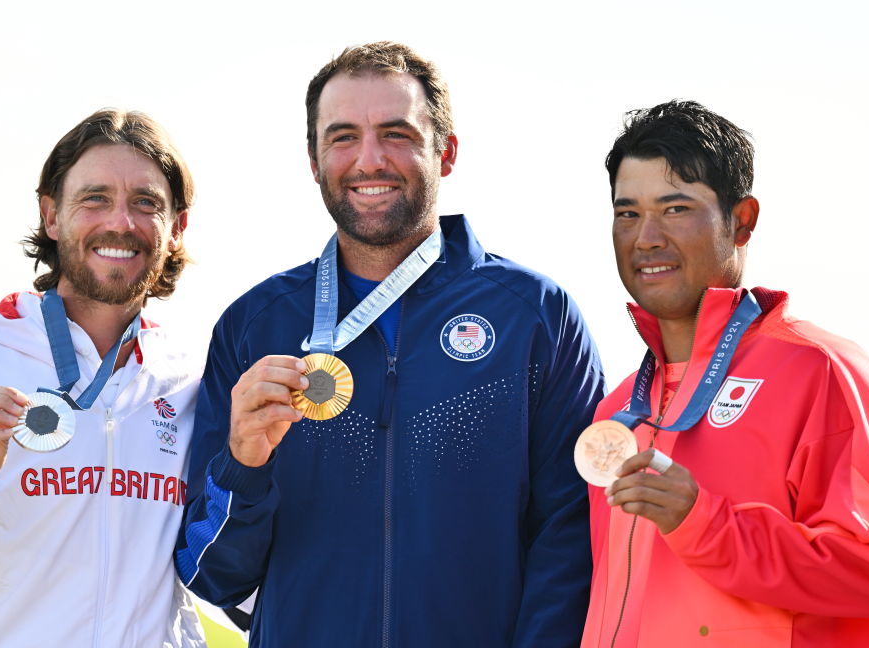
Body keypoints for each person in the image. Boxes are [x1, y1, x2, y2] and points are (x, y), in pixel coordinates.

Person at [176, 42, 606, 647]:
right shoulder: (255, 326)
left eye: (397, 133)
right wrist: (244, 466)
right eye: (343, 136)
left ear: (446, 152)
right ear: (313, 158)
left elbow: (573, 537)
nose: (369, 160)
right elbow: (211, 575)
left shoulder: (533, 316)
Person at [581, 100, 869, 647]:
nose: (646, 238)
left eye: (676, 208)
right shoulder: (617, 410)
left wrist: (709, 528)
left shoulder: (822, 371)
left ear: (743, 221)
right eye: (627, 212)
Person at [0, 109, 207, 646]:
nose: (120, 222)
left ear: (177, 227)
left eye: (146, 202)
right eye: (95, 198)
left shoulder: (190, 383)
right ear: (52, 216)